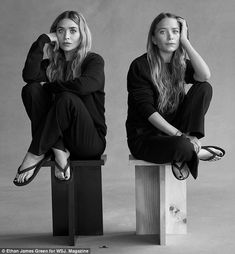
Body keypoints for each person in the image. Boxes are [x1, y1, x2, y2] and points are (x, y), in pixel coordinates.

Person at [126, 12, 225, 180]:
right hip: (146, 138)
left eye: (175, 31)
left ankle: (189, 145)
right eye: (163, 32)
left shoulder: (181, 64)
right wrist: (179, 135)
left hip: (179, 132)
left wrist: (185, 42)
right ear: (154, 39)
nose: (170, 36)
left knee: (204, 87)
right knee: (181, 146)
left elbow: (205, 75)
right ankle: (195, 151)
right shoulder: (140, 66)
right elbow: (146, 110)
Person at [13, 11, 106, 186]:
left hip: (88, 140)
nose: (66, 36)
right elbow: (29, 76)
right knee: (31, 89)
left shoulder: (93, 61)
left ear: (82, 34)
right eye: (61, 31)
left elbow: (84, 86)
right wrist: (41, 41)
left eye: (73, 31)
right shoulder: (50, 65)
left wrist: (48, 87)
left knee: (67, 98)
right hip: (59, 138)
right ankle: (59, 150)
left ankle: (35, 153)